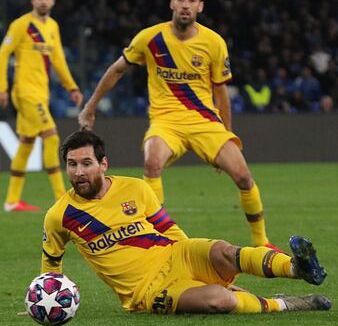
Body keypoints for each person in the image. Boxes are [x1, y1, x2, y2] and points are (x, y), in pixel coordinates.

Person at [79, 0, 276, 249]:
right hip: (165, 122)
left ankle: (261, 242)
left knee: (243, 176)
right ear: (172, 3)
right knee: (152, 162)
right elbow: (116, 70)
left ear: (200, 6)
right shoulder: (150, 38)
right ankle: (158, 239)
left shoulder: (214, 43)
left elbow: (221, 93)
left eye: (191, 0)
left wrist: (227, 132)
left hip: (204, 121)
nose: (185, 5)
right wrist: (90, 107)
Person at [40, 130, 330, 315]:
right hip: (148, 291)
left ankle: (296, 267)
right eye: (72, 164)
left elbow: (166, 227)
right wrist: (45, 299)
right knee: (220, 300)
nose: (78, 172)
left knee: (224, 251)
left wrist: (193, 253)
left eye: (86, 163)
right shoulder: (60, 215)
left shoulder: (135, 188)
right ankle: (285, 304)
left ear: (103, 164)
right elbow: (51, 262)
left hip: (177, 253)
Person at [0, 0, 83, 212]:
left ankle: (12, 200)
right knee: (51, 137)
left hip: (41, 93)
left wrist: (71, 87)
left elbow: (58, 61)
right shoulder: (21, 25)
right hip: (25, 92)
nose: (43, 1)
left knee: (26, 143)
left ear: (53, 1)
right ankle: (61, 197)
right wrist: (1, 86)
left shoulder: (52, 26)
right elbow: (3, 55)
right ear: (32, 0)